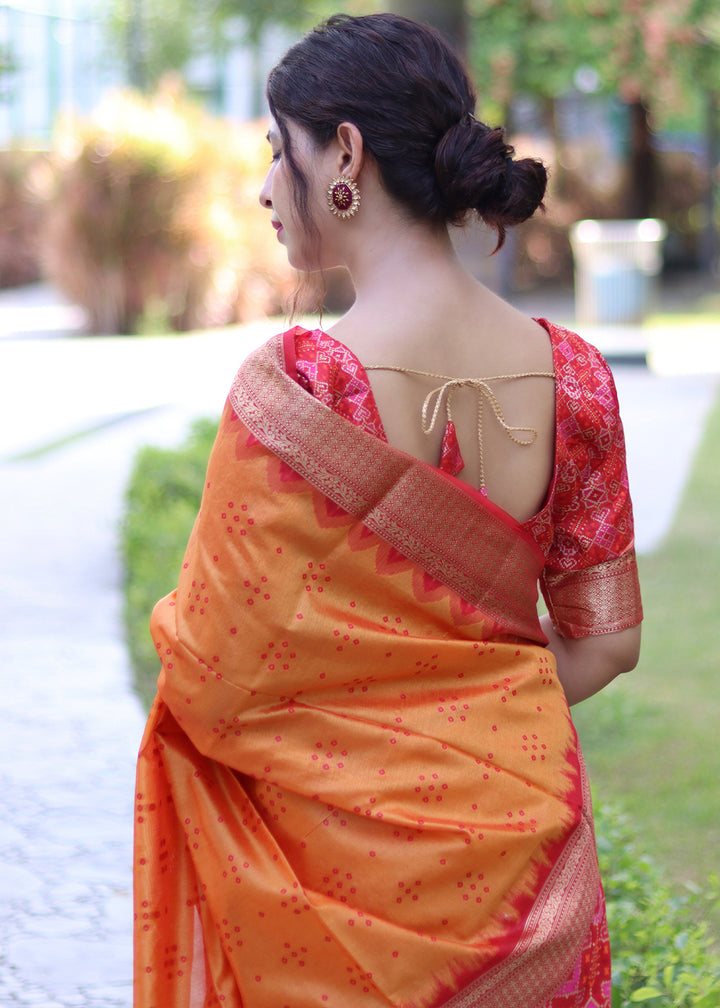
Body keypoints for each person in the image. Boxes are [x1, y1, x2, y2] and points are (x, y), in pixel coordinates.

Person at [133, 13, 642, 1008]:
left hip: (333, 903)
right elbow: (609, 643)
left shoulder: (302, 392)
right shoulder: (575, 378)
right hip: (532, 875)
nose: (265, 184)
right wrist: (474, 716)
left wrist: (370, 732)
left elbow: (213, 678)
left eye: (279, 150)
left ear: (347, 155)